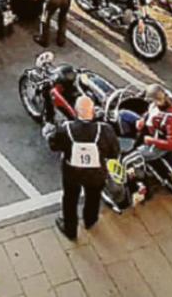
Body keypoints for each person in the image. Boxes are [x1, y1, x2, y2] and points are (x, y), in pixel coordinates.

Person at [47, 95, 120, 240]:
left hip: (72, 173)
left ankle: (70, 229)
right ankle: (90, 221)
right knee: (93, 197)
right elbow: (114, 153)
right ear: (93, 111)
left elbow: (53, 145)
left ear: (76, 111)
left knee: (70, 199)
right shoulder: (105, 130)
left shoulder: (66, 129)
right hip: (96, 173)